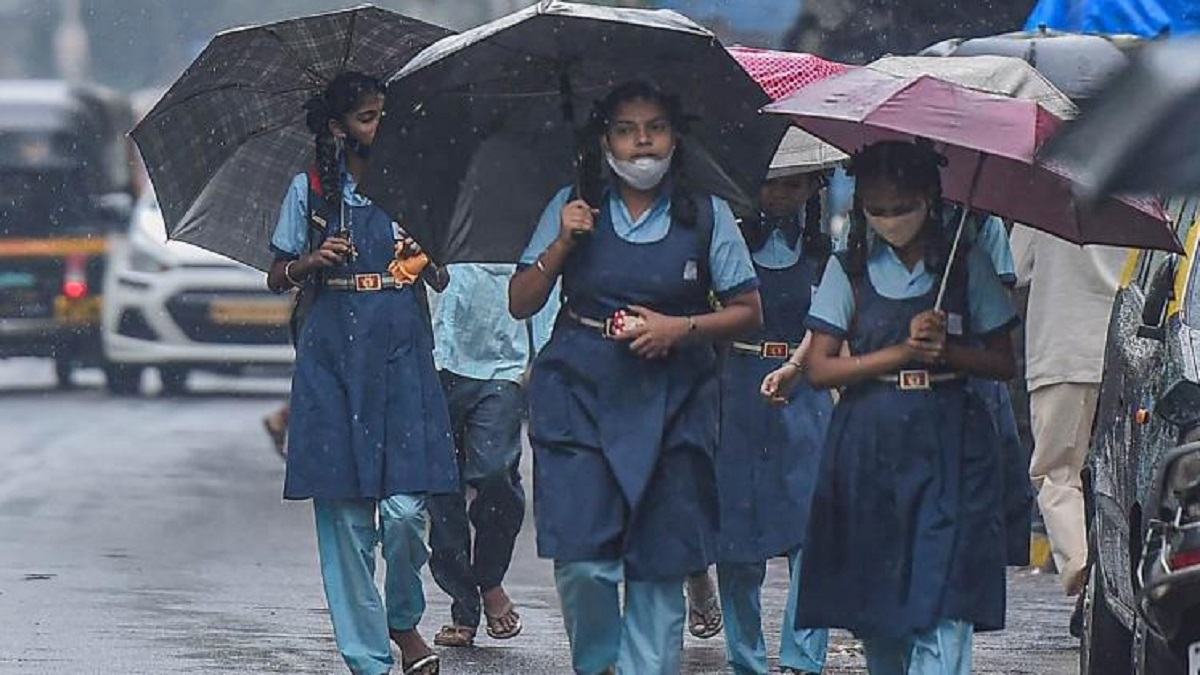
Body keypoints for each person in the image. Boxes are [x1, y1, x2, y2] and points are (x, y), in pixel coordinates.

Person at [508, 80, 763, 675]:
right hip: (579, 390)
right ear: (605, 140)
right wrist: (562, 245)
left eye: (655, 127)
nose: (642, 141)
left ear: (676, 137)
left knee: (659, 563)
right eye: (626, 128)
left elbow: (749, 310)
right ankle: (596, 665)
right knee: (583, 561)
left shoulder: (705, 214)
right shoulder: (571, 205)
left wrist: (680, 329)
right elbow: (521, 301)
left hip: (676, 397)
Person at [767, 140, 1017, 674]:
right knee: (879, 604)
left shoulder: (964, 263)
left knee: (944, 593)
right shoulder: (849, 270)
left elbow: (1002, 362)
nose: (890, 220)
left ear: (929, 197)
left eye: (902, 208)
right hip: (870, 444)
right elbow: (821, 368)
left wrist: (946, 350)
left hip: (951, 442)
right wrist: (898, 353)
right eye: (876, 210)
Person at [265, 71, 457, 675]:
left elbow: (443, 276)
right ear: (337, 127)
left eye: (383, 115)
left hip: (401, 351)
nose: (378, 127)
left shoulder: (415, 184)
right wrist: (310, 262)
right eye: (367, 117)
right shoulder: (310, 189)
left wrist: (422, 255)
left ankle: (402, 616)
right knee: (345, 519)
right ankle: (369, 659)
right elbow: (276, 275)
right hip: (332, 359)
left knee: (405, 512)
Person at [718, 160, 834, 675]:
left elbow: (833, 320)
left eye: (795, 183)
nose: (781, 194)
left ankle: (803, 658)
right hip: (736, 387)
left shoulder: (827, 249)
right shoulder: (725, 242)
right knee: (737, 535)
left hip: (805, 390)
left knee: (811, 526)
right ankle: (746, 658)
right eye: (771, 182)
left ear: (814, 185)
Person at [425, 262, 558, 647]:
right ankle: (463, 604)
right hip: (433, 356)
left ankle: (489, 578)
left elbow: (546, 272)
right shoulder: (430, 209)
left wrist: (546, 353)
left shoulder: (518, 209)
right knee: (441, 488)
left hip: (501, 361)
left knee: (496, 472)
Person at [1009, 224, 1126, 601]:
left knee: (1057, 473)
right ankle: (1123, 575)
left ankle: (1084, 574)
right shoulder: (1147, 186)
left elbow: (1015, 267)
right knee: (1126, 472)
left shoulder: (1045, 189)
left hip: (1063, 350)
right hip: (1130, 348)